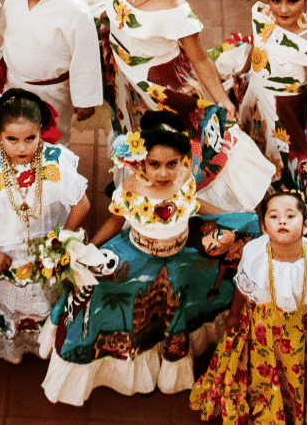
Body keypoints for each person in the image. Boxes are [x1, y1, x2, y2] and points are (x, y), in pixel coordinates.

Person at [42, 111, 257, 404]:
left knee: (204, 281)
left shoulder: (184, 180)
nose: (163, 173)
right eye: (154, 164)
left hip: (180, 255)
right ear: (140, 162)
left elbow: (196, 205)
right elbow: (115, 222)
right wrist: (90, 247)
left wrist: (234, 218)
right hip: (138, 253)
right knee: (90, 289)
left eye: (171, 164)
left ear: (182, 160)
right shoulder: (131, 188)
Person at [79, 0, 272, 214]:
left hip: (166, 87)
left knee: (190, 142)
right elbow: (109, 5)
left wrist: (222, 99)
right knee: (135, 131)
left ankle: (213, 206)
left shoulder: (176, 9)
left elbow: (198, 58)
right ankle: (137, 183)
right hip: (126, 77)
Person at [189, 190, 307, 425]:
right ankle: (267, 402)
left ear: (305, 227)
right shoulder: (255, 253)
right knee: (265, 370)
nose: (282, 221)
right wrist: (235, 315)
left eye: (290, 216)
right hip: (264, 328)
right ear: (263, 227)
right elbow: (243, 287)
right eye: (273, 216)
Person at [0, 91, 91, 363]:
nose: (22, 148)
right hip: (7, 255)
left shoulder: (56, 161)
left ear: (41, 130)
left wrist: (59, 240)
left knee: (46, 295)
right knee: (11, 299)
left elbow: (82, 204)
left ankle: (47, 340)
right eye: (12, 139)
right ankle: (13, 343)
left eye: (30, 138)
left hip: (47, 251)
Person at [215, 0, 307, 226]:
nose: (283, 9)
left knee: (288, 165)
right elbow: (258, 47)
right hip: (255, 98)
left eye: (293, 1)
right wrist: (240, 72)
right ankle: (253, 218)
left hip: (287, 110)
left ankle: (290, 224)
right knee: (250, 154)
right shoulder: (263, 16)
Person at [0, 0, 102, 144]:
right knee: (15, 138)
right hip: (13, 83)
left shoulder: (75, 11)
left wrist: (84, 100)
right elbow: (6, 30)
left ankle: (54, 176)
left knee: (52, 141)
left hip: (52, 93)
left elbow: (85, 58)